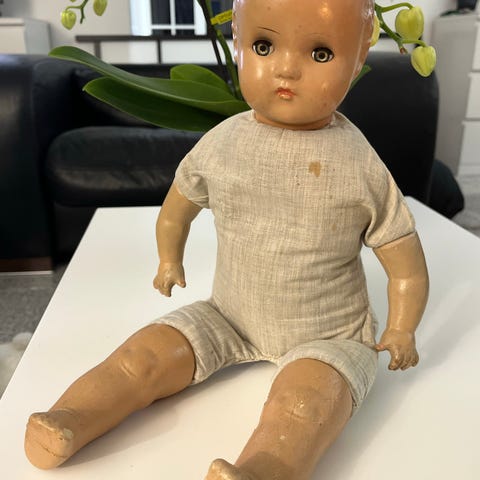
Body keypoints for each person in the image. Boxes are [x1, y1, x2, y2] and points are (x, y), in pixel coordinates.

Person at [24, 1, 429, 479]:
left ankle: (262, 471)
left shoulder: (360, 165)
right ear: (237, 44)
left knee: (303, 406)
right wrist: (169, 259)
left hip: (331, 333)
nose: (286, 68)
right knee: (142, 357)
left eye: (320, 53)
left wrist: (401, 328)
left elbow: (405, 264)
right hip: (228, 315)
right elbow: (176, 210)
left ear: (358, 60)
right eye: (264, 45)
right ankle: (70, 419)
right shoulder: (223, 143)